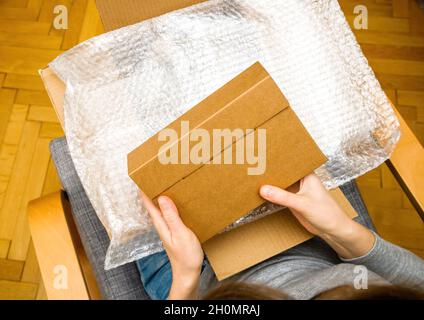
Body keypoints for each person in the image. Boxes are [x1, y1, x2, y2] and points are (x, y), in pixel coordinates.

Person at [136, 174, 424, 300]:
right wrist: (339, 230)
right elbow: (417, 281)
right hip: (306, 239)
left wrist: (185, 277)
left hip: (199, 278)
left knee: (134, 177)